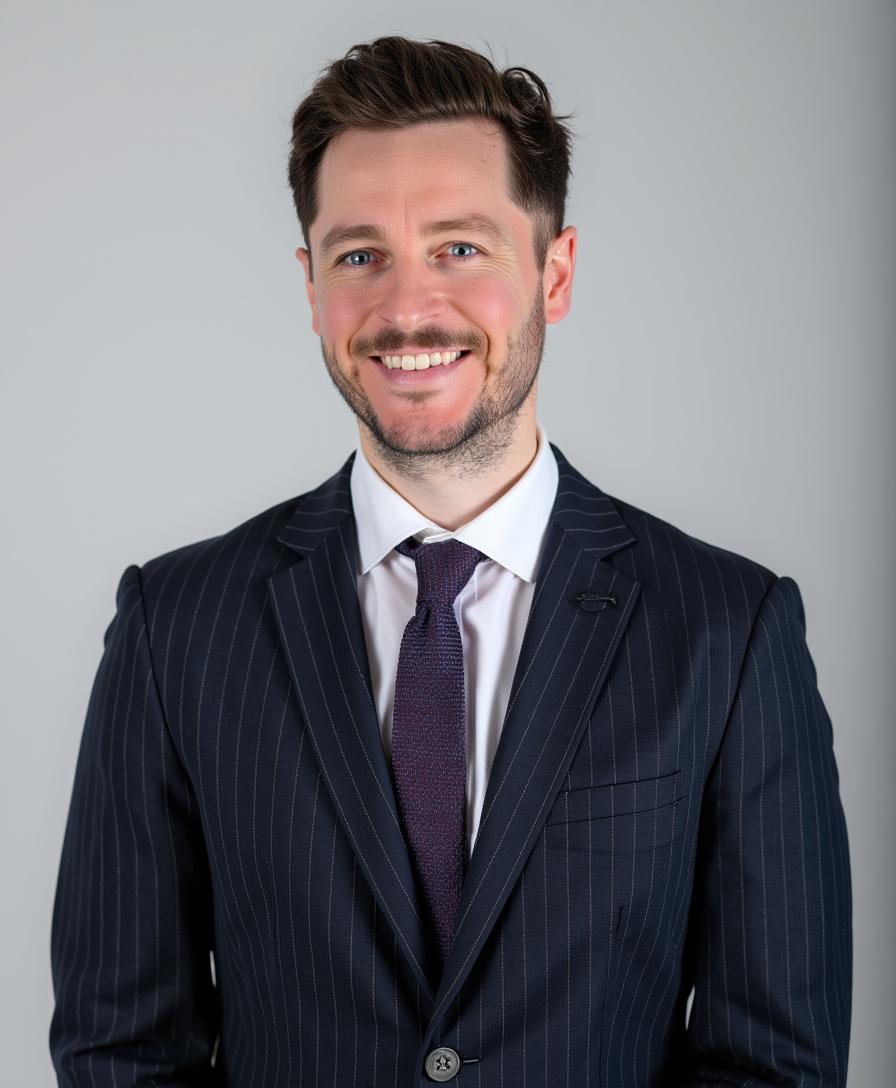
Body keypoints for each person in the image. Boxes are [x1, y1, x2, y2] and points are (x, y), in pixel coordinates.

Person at [49, 35, 851, 1087]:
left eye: (460, 248)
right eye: (359, 255)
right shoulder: (177, 626)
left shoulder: (727, 630)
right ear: (310, 285)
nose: (405, 309)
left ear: (553, 273)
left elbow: (775, 1064)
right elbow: (118, 1049)